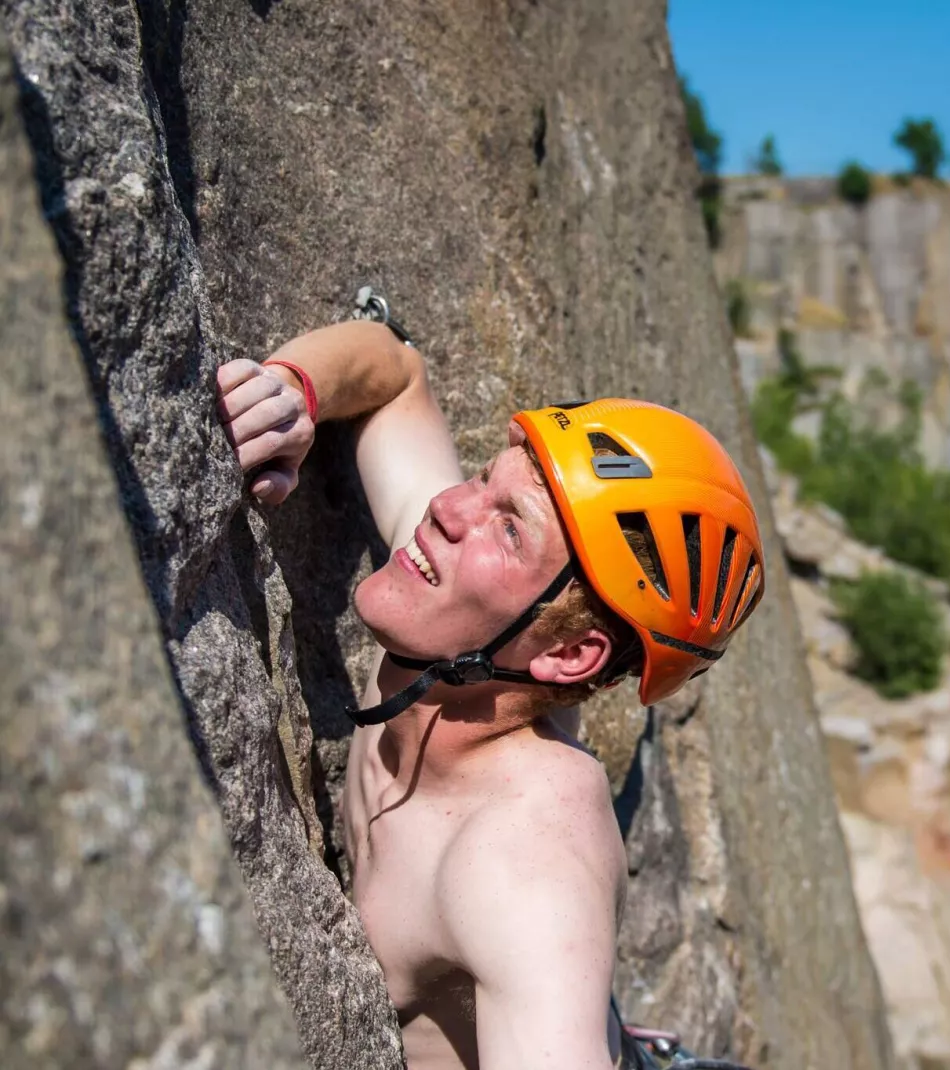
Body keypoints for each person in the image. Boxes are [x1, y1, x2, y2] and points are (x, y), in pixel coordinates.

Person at [216, 318, 766, 1070]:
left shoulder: (524, 871)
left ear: (569, 655)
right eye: (484, 478)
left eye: (509, 530)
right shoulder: (463, 618)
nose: (449, 509)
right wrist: (292, 393)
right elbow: (396, 372)